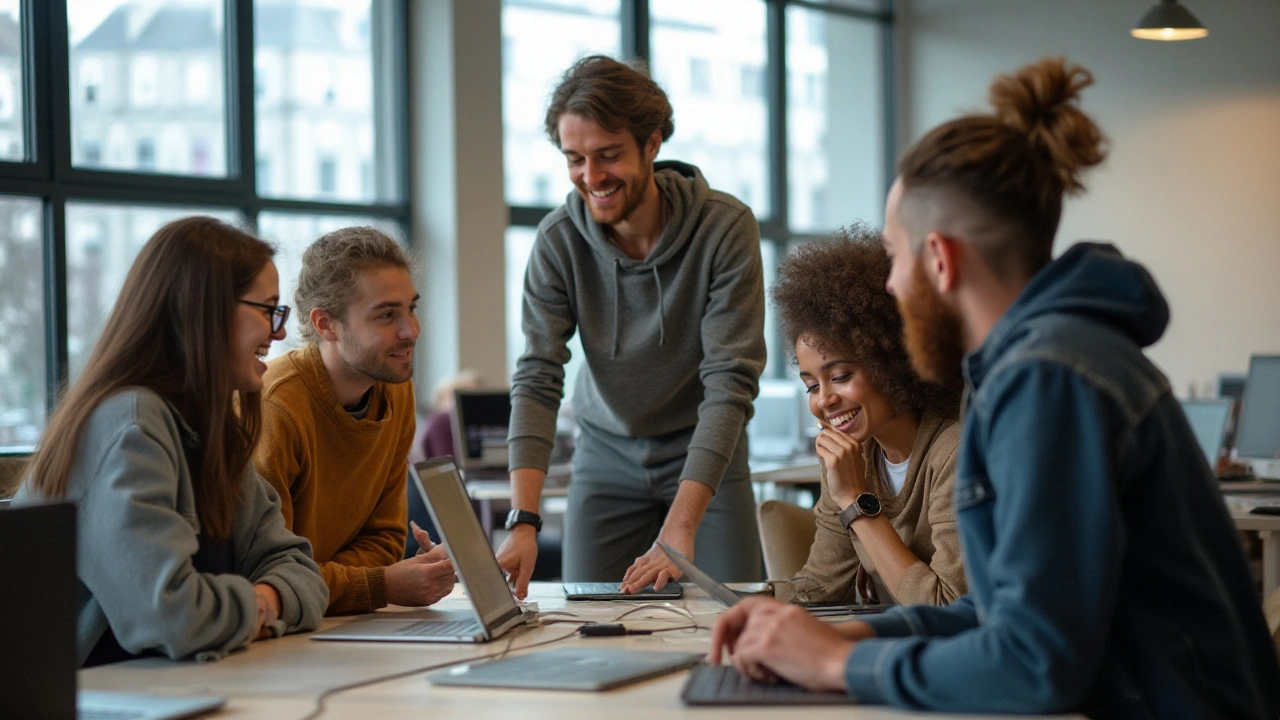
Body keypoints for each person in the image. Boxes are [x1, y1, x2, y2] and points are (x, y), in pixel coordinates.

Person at [710, 57, 1280, 717]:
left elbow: (1037, 664)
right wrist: (843, 634)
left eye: (896, 257)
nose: (891, 287)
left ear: (940, 260)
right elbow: (995, 614)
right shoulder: (1026, 368)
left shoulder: (1051, 379)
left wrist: (839, 664)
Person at [498, 55, 766, 598]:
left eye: (608, 156)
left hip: (703, 447)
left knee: (732, 614)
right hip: (605, 453)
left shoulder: (724, 228)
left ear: (652, 143)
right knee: (592, 618)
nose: (591, 178)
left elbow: (730, 382)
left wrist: (682, 524)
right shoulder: (558, 241)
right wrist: (523, 520)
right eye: (574, 159)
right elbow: (538, 375)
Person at [15, 216, 328, 666]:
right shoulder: (130, 426)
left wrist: (258, 601)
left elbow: (301, 571)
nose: (279, 332)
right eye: (268, 310)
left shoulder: (210, 431)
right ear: (205, 310)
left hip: (164, 689)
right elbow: (175, 615)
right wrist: (262, 603)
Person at [253, 227, 454, 615]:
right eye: (386, 315)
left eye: (411, 308)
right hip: (274, 631)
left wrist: (353, 583)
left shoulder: (395, 389)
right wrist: (379, 584)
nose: (410, 330)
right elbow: (266, 572)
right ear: (326, 324)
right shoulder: (276, 407)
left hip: (329, 619)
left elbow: (385, 540)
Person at [769, 225, 965, 607]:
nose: (824, 400)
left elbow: (949, 608)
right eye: (811, 386)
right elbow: (820, 588)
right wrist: (739, 602)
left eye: (840, 377)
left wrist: (856, 500)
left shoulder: (954, 452)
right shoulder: (851, 456)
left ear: (893, 363)